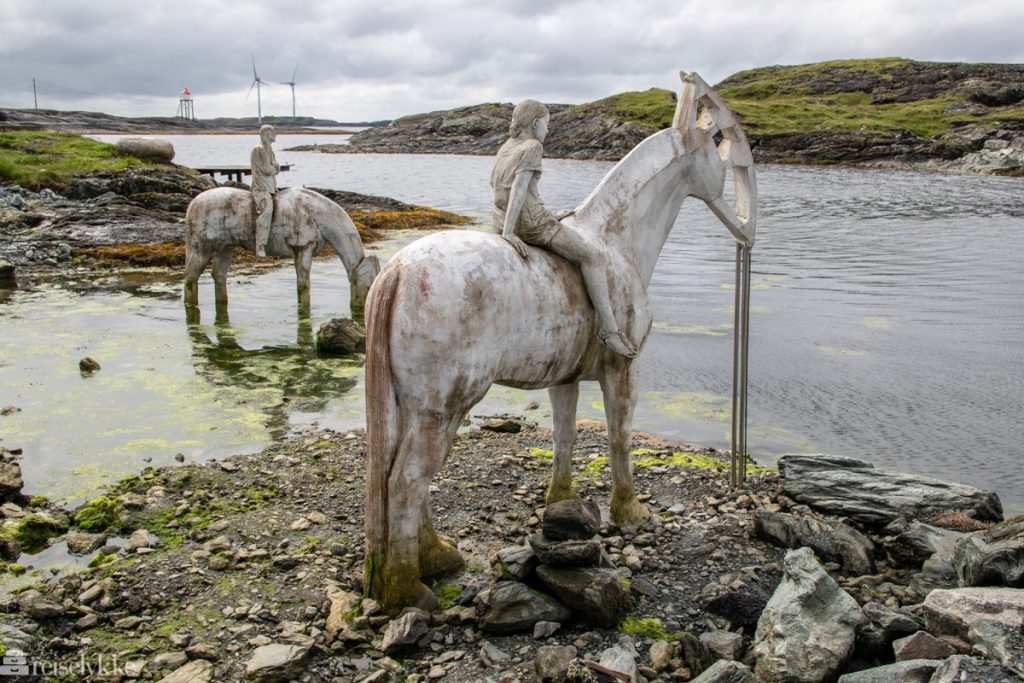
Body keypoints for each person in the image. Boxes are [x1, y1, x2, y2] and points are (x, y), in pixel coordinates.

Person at [491, 99, 637, 358]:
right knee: (593, 256)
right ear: (536, 124)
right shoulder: (533, 146)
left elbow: (500, 189)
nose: (547, 132)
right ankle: (609, 330)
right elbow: (518, 190)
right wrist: (511, 232)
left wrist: (543, 216)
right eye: (547, 126)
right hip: (530, 224)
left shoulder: (506, 147)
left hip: (500, 218)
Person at [250, 124, 280, 257]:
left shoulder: (270, 149)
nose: (275, 135)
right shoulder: (259, 150)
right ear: (266, 134)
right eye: (273, 132)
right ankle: (260, 245)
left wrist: (274, 168)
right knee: (267, 210)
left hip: (272, 187)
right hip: (261, 188)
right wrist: (275, 168)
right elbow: (267, 169)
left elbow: (275, 168)